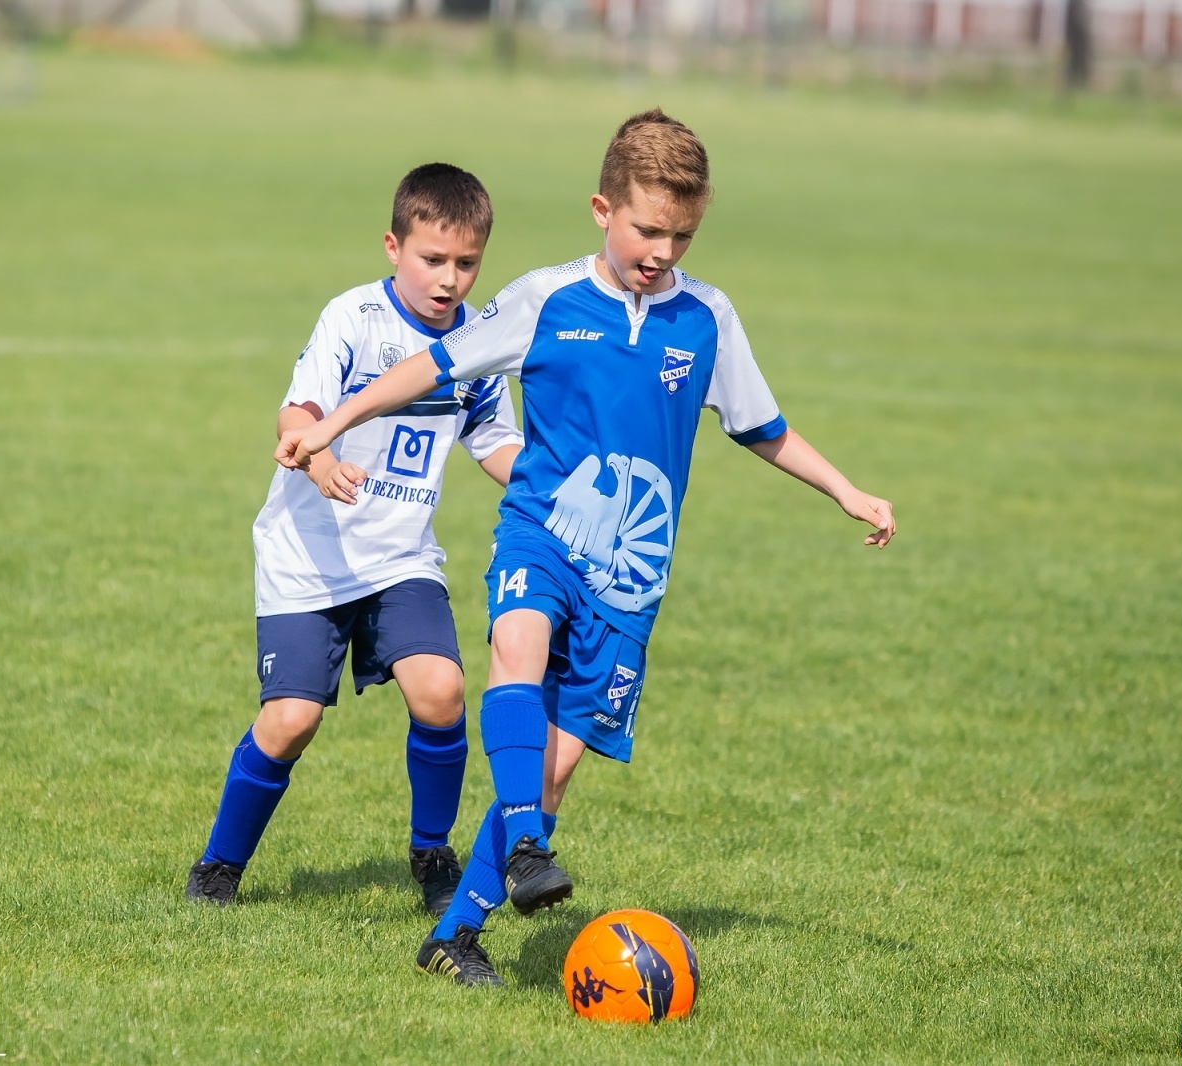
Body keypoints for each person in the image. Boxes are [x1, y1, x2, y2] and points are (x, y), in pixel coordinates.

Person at [276, 111, 896, 985]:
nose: (661, 252)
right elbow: (433, 366)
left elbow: (762, 427)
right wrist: (330, 422)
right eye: (647, 230)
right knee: (516, 646)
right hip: (543, 531)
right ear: (603, 210)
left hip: (631, 577)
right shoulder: (546, 299)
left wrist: (846, 489)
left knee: (555, 770)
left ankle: (454, 936)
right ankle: (527, 844)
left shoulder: (708, 317)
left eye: (682, 236)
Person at [185, 163, 522, 917]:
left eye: (467, 263)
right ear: (393, 247)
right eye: (433, 259)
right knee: (291, 721)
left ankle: (432, 853)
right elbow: (298, 412)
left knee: (440, 691)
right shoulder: (354, 317)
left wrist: (551, 485)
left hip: (400, 557)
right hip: (308, 555)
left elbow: (494, 440)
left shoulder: (478, 341)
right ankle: (219, 865)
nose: (450, 279)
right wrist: (321, 459)